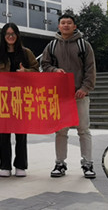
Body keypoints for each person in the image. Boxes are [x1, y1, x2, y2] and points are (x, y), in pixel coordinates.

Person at [41, 13, 97, 179]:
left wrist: (85, 88)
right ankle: (60, 163)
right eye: (63, 23)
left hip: (80, 94)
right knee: (60, 131)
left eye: (69, 23)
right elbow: (44, 65)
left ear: (74, 26)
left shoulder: (83, 45)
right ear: (59, 26)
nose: (66, 25)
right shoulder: (51, 46)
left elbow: (90, 68)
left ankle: (87, 164)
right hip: (60, 96)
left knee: (83, 130)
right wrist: (54, 70)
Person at [0, 22, 39, 178]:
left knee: (21, 133)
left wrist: (26, 71)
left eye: (13, 34)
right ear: (3, 36)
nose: (10, 37)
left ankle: (20, 165)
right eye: (7, 34)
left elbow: (37, 71)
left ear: (17, 35)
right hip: (2, 98)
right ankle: (5, 166)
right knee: (4, 133)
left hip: (21, 98)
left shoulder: (26, 53)